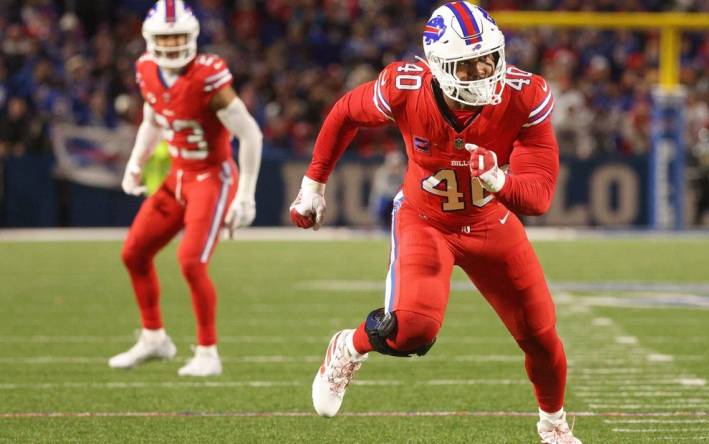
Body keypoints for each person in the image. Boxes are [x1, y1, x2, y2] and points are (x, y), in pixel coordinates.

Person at [289, 2, 580, 443]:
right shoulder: (404, 87)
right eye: (468, 66)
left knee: (541, 336)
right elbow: (346, 112)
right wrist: (313, 184)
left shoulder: (526, 94)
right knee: (411, 331)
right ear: (439, 67)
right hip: (426, 220)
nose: (484, 72)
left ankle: (554, 427)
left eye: (489, 59)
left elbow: (538, 196)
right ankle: (349, 347)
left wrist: (500, 178)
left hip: (489, 221)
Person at [108, 0, 262, 377]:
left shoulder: (207, 75)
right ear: (149, 39)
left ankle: (208, 353)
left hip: (211, 177)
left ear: (193, 36)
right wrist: (136, 162)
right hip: (177, 176)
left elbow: (250, 134)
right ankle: (154, 337)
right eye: (165, 37)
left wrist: (245, 196)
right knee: (134, 253)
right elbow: (152, 119)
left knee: (191, 262)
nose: (173, 44)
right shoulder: (146, 69)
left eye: (179, 36)